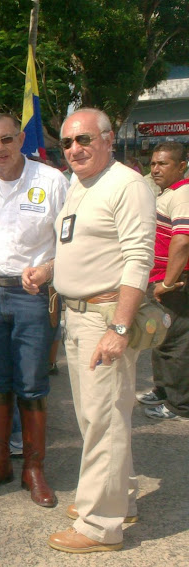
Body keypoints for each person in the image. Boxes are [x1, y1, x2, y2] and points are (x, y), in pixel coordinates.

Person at [35, 108, 155, 553]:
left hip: (106, 318)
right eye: (66, 143)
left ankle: (100, 526)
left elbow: (137, 259)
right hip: (78, 315)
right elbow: (76, 245)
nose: (74, 150)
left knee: (103, 420)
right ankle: (117, 499)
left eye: (83, 139)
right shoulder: (80, 185)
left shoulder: (127, 184)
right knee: (96, 417)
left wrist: (120, 327)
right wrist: (47, 270)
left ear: (108, 138)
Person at [0, 113, 68, 508]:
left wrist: (48, 270)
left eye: (7, 139)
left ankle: (34, 469)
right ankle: (0, 462)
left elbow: (70, 241)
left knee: (32, 383)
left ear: (21, 138)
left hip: (32, 296)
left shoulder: (52, 181)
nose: (0, 149)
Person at [137, 142, 189, 421]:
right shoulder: (168, 193)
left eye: (163, 164)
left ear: (181, 166)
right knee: (160, 337)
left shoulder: (183, 194)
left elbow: (182, 241)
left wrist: (168, 283)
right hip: (161, 280)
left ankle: (179, 404)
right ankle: (163, 389)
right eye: (154, 163)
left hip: (176, 283)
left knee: (176, 343)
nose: (155, 169)